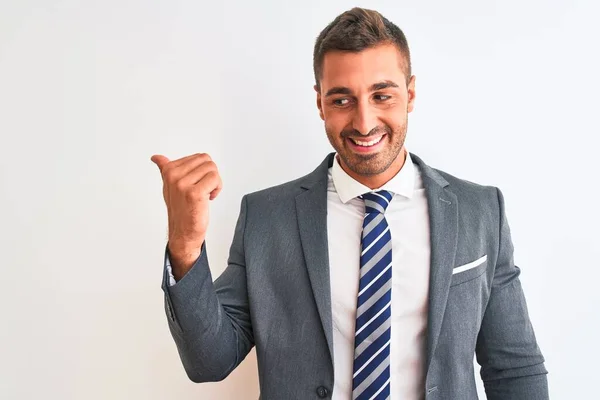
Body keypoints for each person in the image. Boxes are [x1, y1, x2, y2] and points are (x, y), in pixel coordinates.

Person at [150, 7, 548, 400]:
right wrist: (185, 245)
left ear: (409, 93)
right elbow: (210, 361)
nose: (363, 122)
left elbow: (514, 369)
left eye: (382, 95)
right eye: (342, 100)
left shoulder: (479, 210)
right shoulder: (266, 218)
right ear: (320, 102)